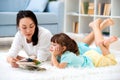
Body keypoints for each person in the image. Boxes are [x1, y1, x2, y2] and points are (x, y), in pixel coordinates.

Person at [49, 18, 117, 68]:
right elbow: (53, 63)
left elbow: (59, 67)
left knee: (100, 48)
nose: (51, 46)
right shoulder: (61, 53)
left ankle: (97, 27)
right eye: (51, 44)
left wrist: (53, 55)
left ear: (63, 48)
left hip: (89, 57)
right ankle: (99, 26)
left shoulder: (68, 54)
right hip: (80, 51)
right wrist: (54, 55)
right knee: (82, 45)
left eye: (54, 45)